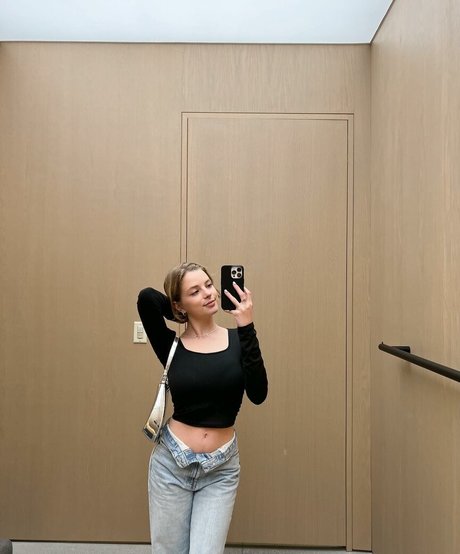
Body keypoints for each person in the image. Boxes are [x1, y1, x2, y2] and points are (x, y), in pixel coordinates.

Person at [137, 261, 268, 554]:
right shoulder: (170, 346)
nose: (208, 293)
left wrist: (246, 325)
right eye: (194, 291)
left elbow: (259, 394)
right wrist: (180, 312)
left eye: (209, 285)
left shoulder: (239, 339)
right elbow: (147, 298)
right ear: (178, 304)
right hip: (171, 465)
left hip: (220, 470)